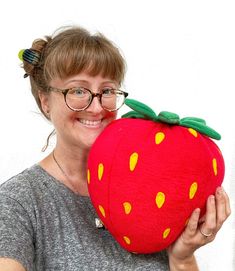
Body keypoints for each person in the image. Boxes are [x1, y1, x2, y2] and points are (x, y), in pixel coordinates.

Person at [0, 25, 231, 271]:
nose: (97, 107)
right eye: (78, 90)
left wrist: (182, 257)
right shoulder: (18, 201)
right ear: (45, 101)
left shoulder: (154, 178)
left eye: (107, 90)